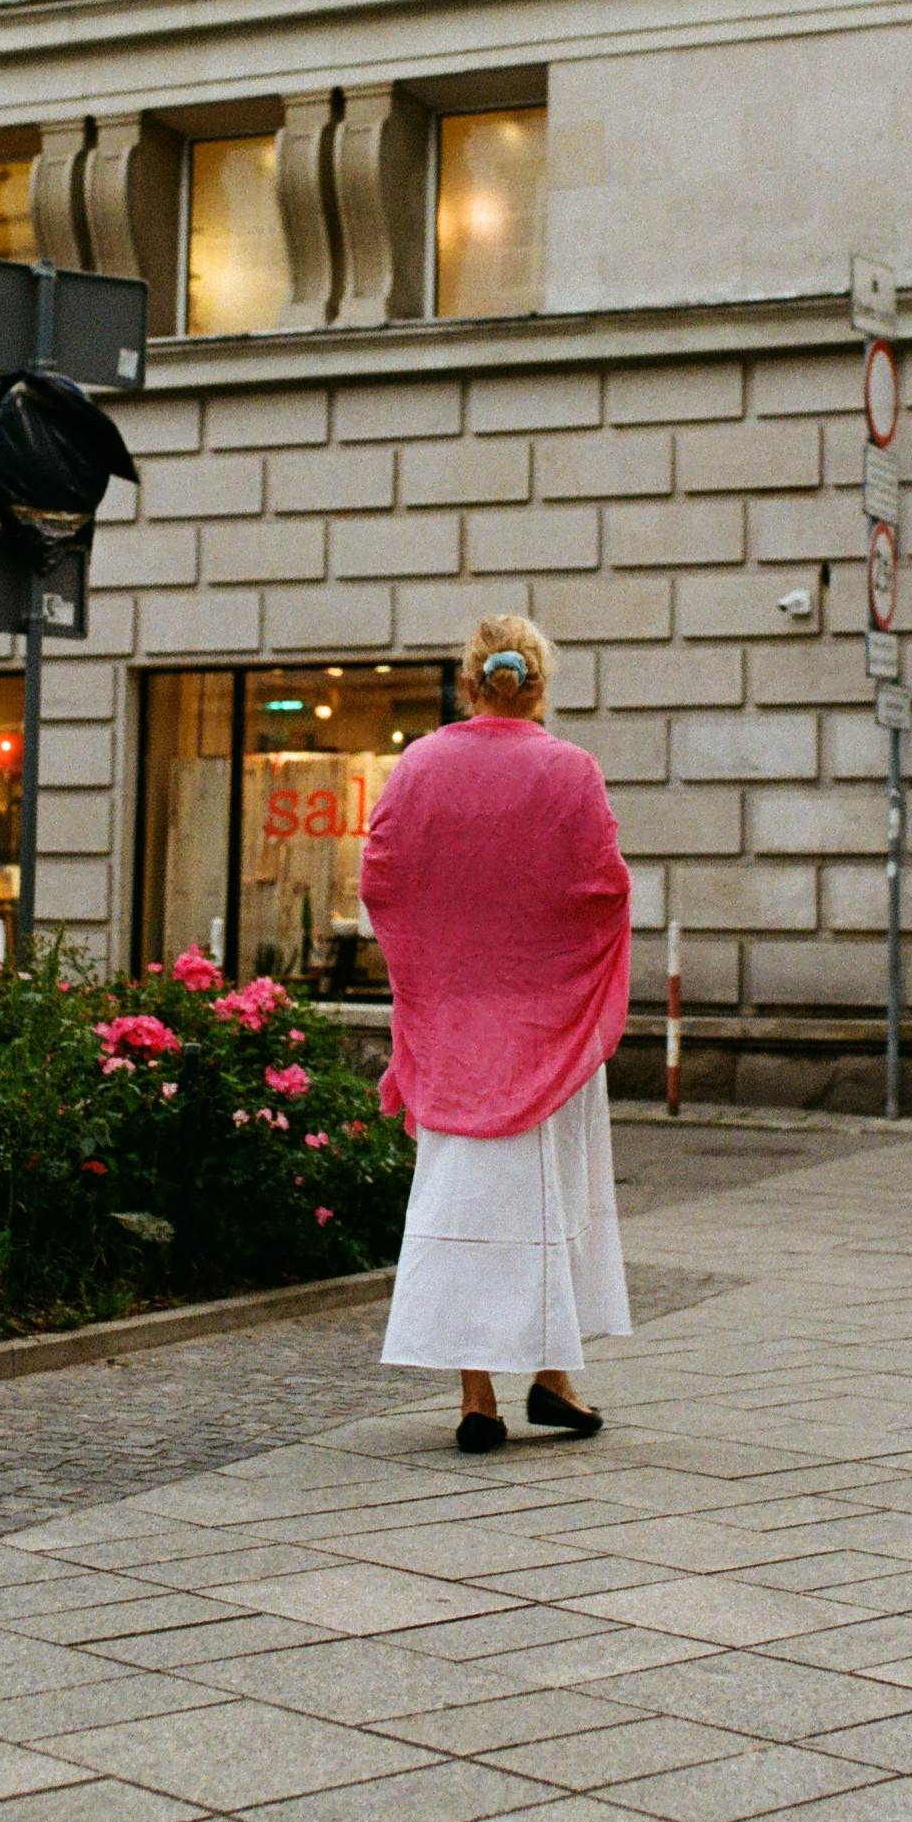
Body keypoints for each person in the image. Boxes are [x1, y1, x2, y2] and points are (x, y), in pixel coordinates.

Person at [362, 614, 633, 1452]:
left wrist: (437, 962)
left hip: (452, 1031)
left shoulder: (418, 764)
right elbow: (601, 888)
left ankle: (477, 1399)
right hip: (547, 1026)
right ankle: (552, 1378)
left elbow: (382, 874)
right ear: (539, 687)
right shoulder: (570, 770)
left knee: (462, 1201)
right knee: (553, 1201)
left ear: (468, 682)